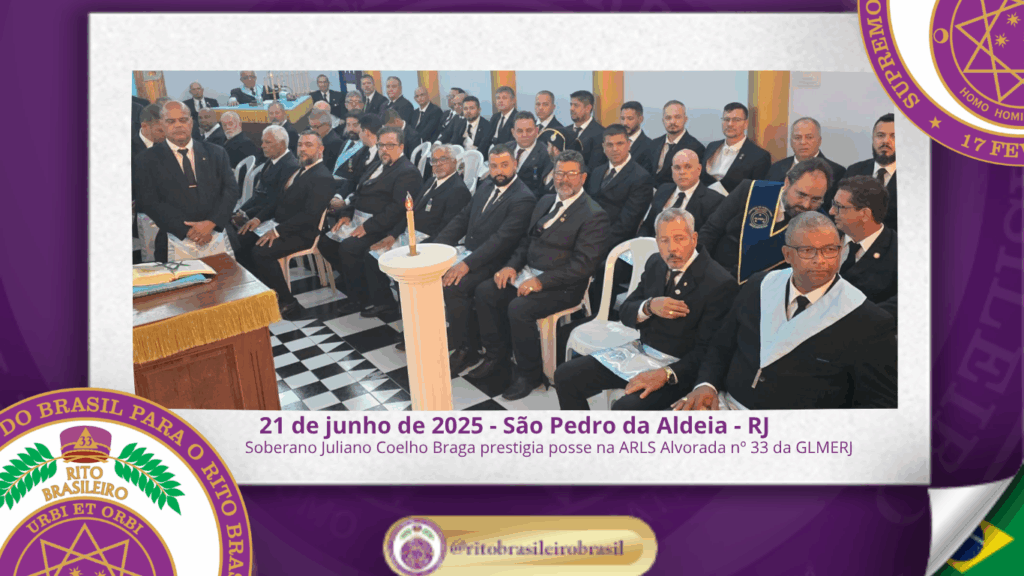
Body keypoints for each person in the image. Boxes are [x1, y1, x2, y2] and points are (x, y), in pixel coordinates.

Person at [675, 211, 897, 410]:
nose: (821, 260)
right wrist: (706, 385)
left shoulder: (869, 321)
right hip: (724, 405)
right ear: (787, 255)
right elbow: (722, 345)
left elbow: (880, 403)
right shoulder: (758, 285)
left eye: (830, 250)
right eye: (808, 251)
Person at [555, 208, 737, 410]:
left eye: (679, 239)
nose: (672, 249)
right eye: (664, 240)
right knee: (565, 376)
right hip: (640, 353)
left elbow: (710, 352)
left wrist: (666, 374)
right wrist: (649, 306)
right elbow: (626, 312)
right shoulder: (656, 262)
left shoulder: (719, 282)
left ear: (693, 239)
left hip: (680, 371)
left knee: (625, 408)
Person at [474, 149, 610, 400]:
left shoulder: (593, 214)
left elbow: (583, 266)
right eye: (559, 173)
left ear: (583, 177)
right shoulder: (546, 201)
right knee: (486, 291)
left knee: (519, 308)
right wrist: (512, 266)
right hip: (528, 273)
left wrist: (540, 281)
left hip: (563, 286)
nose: (564, 179)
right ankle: (496, 356)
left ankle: (530, 374)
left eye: (571, 174)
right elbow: (526, 242)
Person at [433, 143, 537, 375]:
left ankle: (469, 349)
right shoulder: (486, 185)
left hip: (498, 260)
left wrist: (466, 265)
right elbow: (462, 218)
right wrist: (437, 247)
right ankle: (461, 338)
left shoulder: (523, 198)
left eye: (504, 165)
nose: (499, 171)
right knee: (439, 275)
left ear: (515, 164)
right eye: (494, 166)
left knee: (455, 285)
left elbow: (502, 240)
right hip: (473, 252)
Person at [364, 144, 472, 329]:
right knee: (372, 256)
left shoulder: (458, 190)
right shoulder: (431, 181)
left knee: (403, 270)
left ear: (454, 162)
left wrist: (418, 248)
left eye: (443, 160)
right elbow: (410, 212)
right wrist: (393, 235)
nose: (438, 164)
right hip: (410, 235)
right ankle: (386, 304)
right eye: (434, 161)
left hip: (430, 242)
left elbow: (448, 231)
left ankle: (416, 323)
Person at [319, 125, 422, 315]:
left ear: (401, 147)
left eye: (390, 145)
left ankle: (367, 298)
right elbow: (358, 194)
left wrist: (367, 227)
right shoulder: (376, 165)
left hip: (383, 226)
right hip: (358, 218)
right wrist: (346, 213)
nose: (384, 149)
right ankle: (359, 284)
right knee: (326, 242)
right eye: (381, 145)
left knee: (349, 247)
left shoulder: (407, 172)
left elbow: (397, 209)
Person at [236, 131, 335, 318]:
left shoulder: (322, 177)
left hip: (302, 233)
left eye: (308, 145)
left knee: (261, 252)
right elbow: (277, 201)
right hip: (281, 225)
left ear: (320, 149)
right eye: (300, 145)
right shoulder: (300, 170)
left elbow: (309, 216)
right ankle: (263, 290)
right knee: (241, 238)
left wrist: (277, 231)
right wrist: (258, 219)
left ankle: (288, 302)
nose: (302, 149)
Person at [133, 101, 239, 262]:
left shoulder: (216, 153)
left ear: (191, 122)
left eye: (183, 120)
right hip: (174, 237)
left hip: (217, 233)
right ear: (162, 124)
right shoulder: (146, 159)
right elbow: (149, 201)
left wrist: (211, 223)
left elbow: (231, 190)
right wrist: (188, 231)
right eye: (171, 121)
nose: (178, 125)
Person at [699, 157, 833, 283]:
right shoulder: (751, 190)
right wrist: (700, 269)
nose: (806, 205)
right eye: (801, 195)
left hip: (764, 288)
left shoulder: (819, 225)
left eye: (816, 200)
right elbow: (711, 230)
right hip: (716, 273)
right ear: (787, 183)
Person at [585, 124, 654, 313]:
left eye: (620, 143)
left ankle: (599, 317)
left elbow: (627, 224)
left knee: (601, 268)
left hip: (620, 246)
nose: (615, 149)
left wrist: (595, 244)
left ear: (629, 144)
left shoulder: (641, 177)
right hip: (591, 236)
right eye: (610, 144)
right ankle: (575, 312)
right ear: (603, 147)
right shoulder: (597, 172)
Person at [829, 175, 897, 322]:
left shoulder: (899, 251)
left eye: (839, 207)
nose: (831, 211)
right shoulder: (825, 236)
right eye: (833, 204)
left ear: (865, 214)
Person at [639, 149, 723, 238]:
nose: (682, 172)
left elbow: (707, 238)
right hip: (654, 243)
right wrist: (641, 241)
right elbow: (648, 225)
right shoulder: (663, 190)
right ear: (672, 170)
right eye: (677, 168)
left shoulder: (714, 201)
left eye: (688, 167)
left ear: (699, 169)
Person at [842, 113, 897, 230]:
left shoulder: (915, 178)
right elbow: (841, 211)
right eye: (880, 135)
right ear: (873, 139)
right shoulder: (854, 171)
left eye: (894, 136)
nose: (886, 141)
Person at [701, 102, 771, 193]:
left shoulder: (759, 156)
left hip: (734, 201)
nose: (730, 124)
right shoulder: (712, 146)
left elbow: (758, 192)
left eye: (736, 120)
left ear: (746, 124)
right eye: (726, 119)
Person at [234, 125, 299, 222]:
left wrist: (248, 215)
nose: (262, 145)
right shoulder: (271, 160)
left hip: (272, 219)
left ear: (281, 144)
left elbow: (275, 202)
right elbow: (259, 194)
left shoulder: (291, 166)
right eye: (263, 141)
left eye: (267, 142)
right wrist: (240, 211)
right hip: (259, 213)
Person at [765, 117, 846, 187]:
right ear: (791, 141)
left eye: (809, 137)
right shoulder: (776, 168)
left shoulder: (836, 172)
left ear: (819, 140)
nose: (803, 142)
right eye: (797, 137)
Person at [650, 101, 706, 186]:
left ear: (685, 119)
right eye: (668, 118)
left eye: (677, 117)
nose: (672, 122)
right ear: (663, 120)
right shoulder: (654, 144)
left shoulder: (696, 148)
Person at [511, 111, 553, 196]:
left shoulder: (546, 154)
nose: (524, 135)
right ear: (513, 132)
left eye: (529, 130)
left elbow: (544, 190)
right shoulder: (506, 149)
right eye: (520, 131)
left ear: (536, 131)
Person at [561, 90, 605, 170]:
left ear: (588, 108)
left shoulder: (600, 133)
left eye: (576, 105)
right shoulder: (564, 131)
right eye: (571, 105)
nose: (571, 109)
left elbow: (595, 167)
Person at [619, 101, 655, 175]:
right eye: (622, 118)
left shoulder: (650, 146)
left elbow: (645, 175)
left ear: (640, 119)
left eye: (630, 119)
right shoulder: (615, 141)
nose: (625, 123)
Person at [332, 112, 367, 177]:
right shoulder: (346, 143)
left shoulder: (366, 147)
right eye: (348, 125)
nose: (351, 129)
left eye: (355, 125)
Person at [308, 109, 343, 173]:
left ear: (326, 125)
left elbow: (325, 167)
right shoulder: (320, 138)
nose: (313, 130)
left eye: (316, 127)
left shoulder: (334, 143)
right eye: (311, 127)